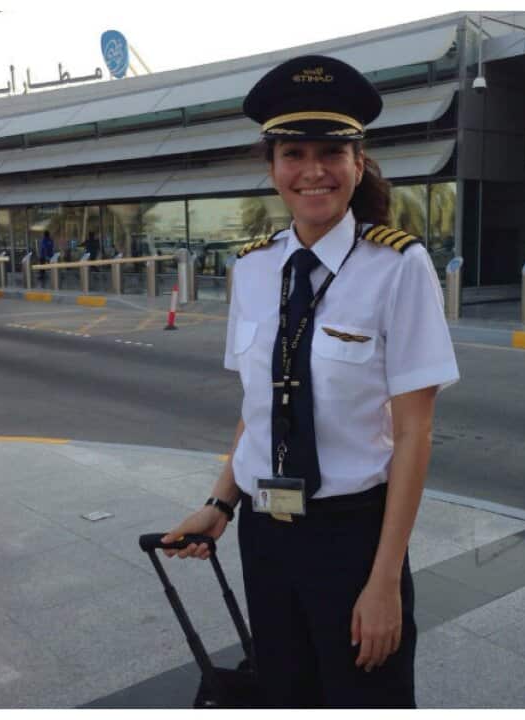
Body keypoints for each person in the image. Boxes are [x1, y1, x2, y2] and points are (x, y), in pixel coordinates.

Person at [161, 55, 459, 709]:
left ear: (358, 161)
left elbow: (415, 434)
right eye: (294, 152)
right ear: (272, 167)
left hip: (352, 536)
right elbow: (257, 408)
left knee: (363, 699)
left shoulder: (398, 267)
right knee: (285, 693)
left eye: (332, 151)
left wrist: (384, 583)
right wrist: (219, 507)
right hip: (264, 534)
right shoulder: (256, 268)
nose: (313, 170)